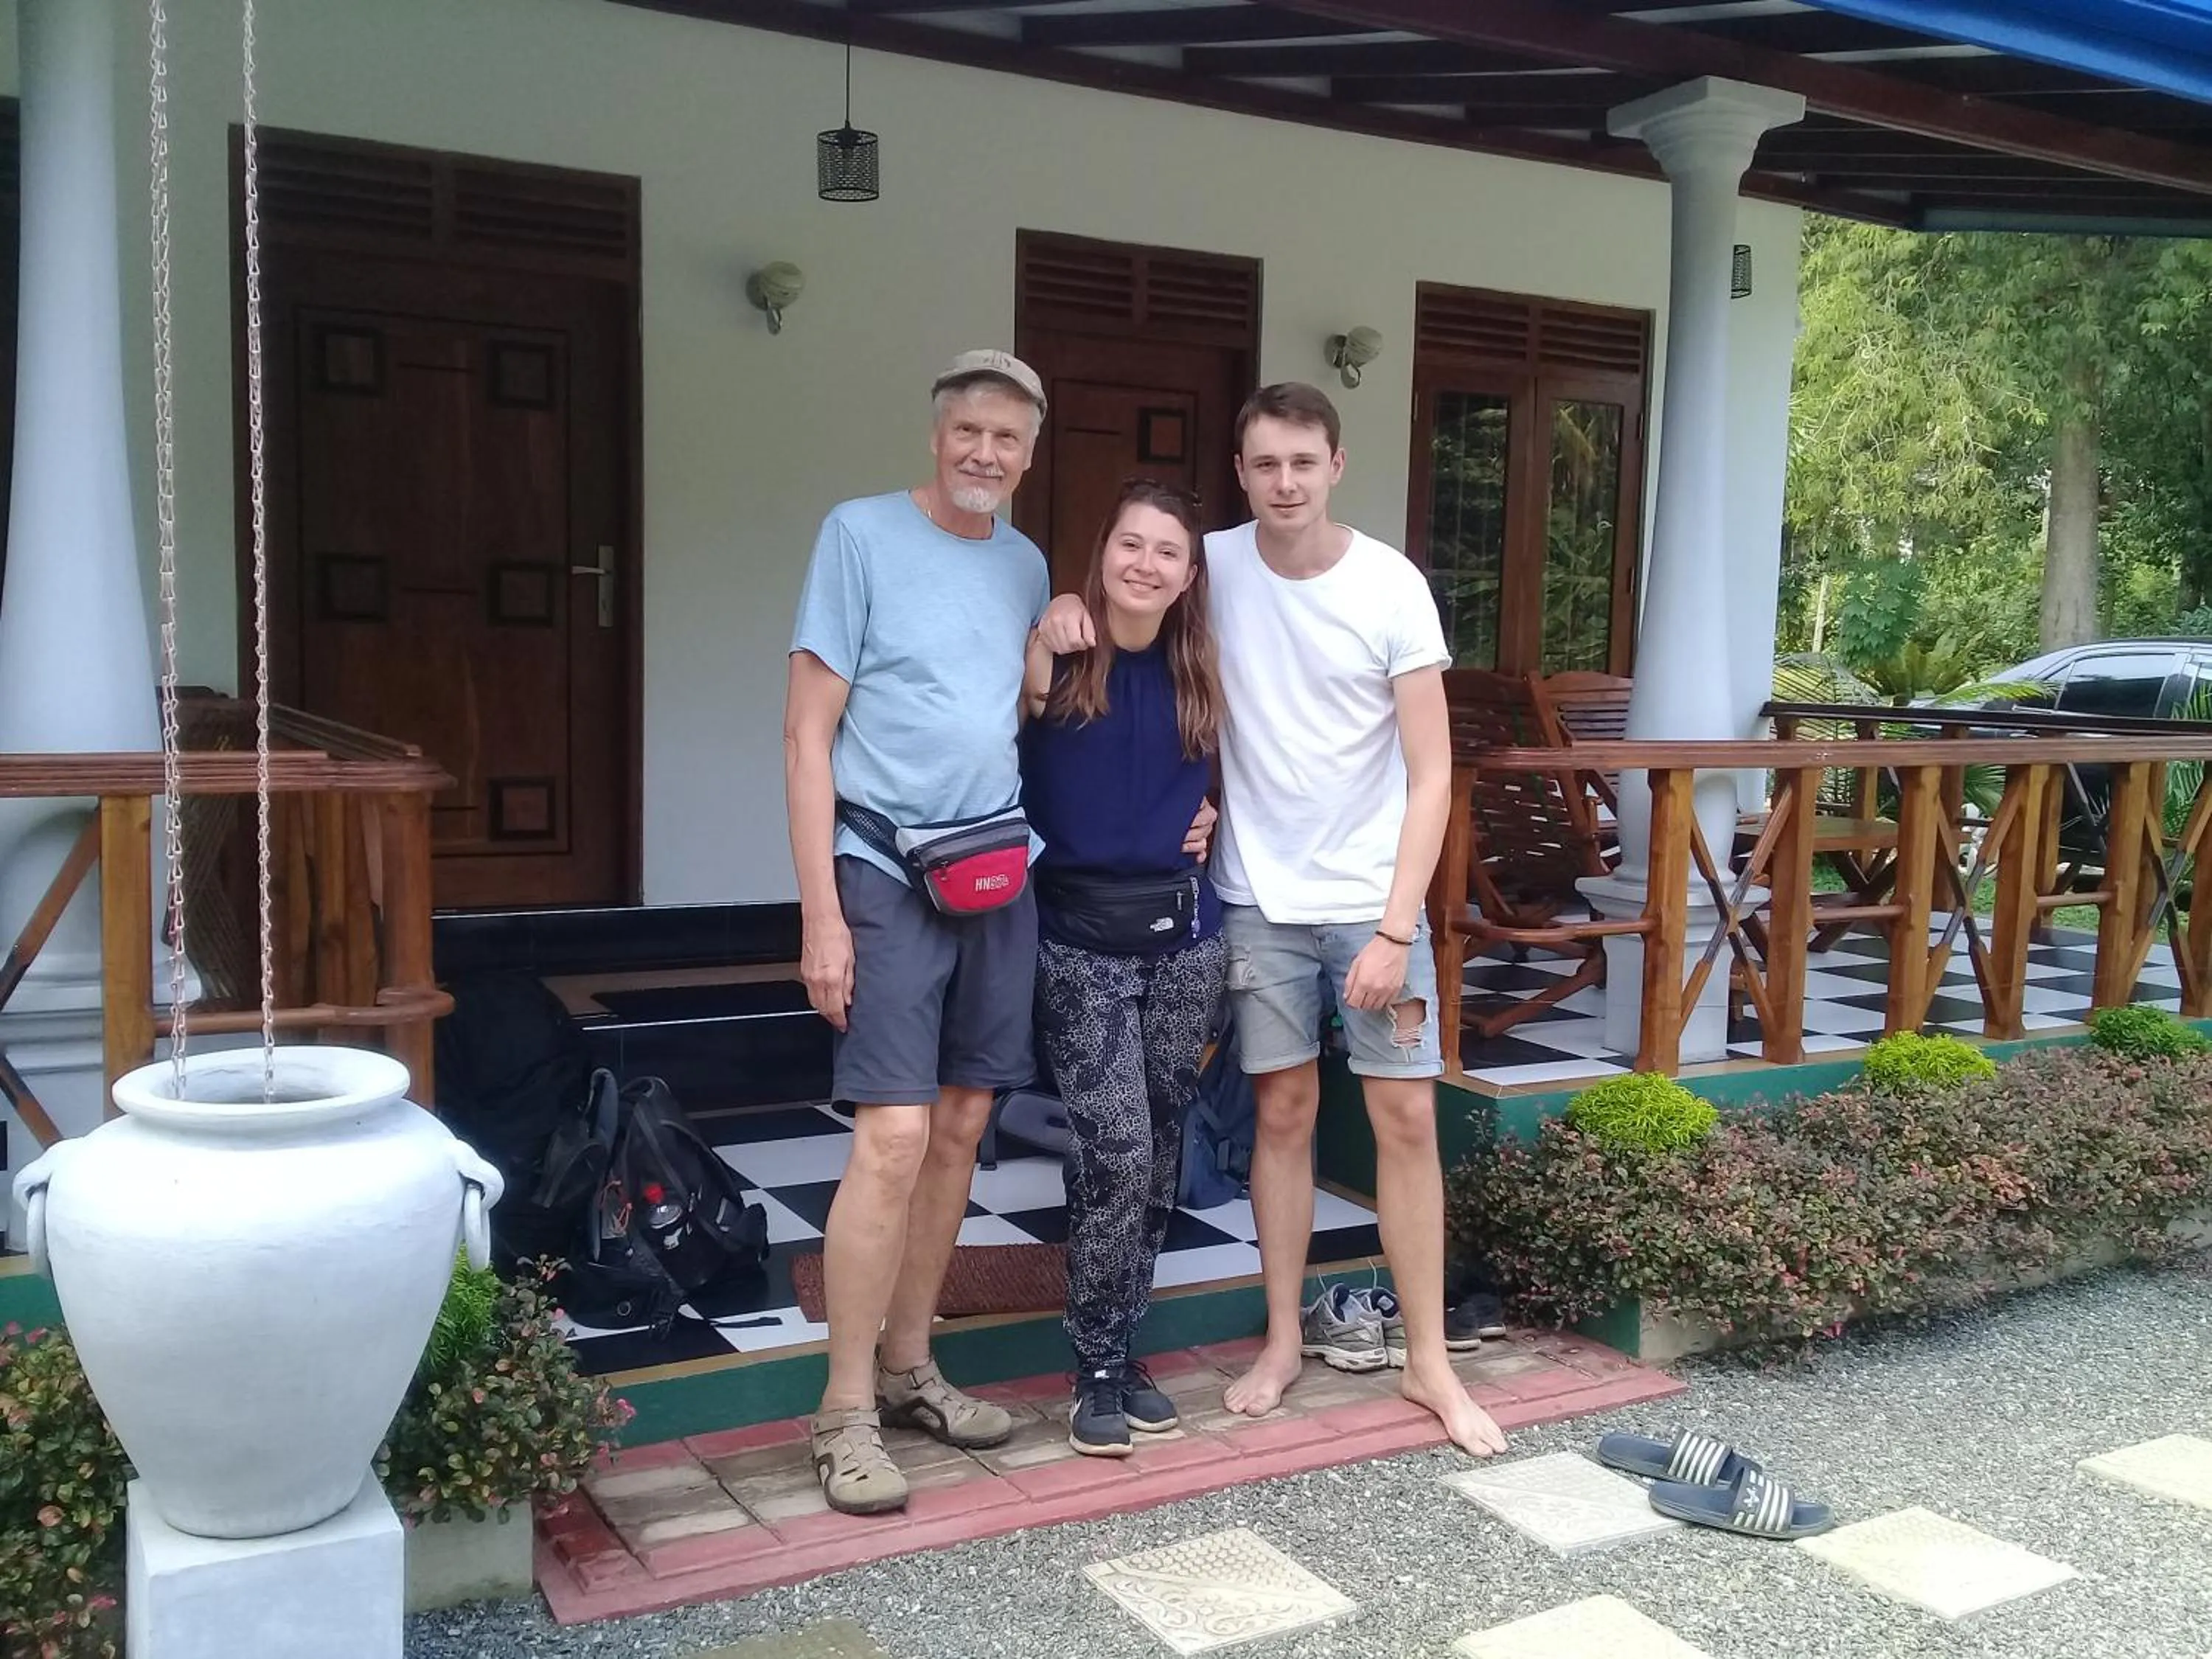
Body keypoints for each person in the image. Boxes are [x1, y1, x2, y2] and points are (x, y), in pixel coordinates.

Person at [1038, 383, 1508, 1457]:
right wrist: (1056, 615)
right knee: (1281, 1118)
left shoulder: (1392, 586)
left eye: (1303, 461)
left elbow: (1432, 773)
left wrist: (1398, 927)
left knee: (1404, 1123)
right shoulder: (1211, 566)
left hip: (1372, 906)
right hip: (1251, 902)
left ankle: (1428, 1356)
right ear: (1243, 473)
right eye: (1265, 465)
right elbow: (1127, 612)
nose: (1284, 482)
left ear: (1337, 463)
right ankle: (1285, 1336)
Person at [782, 351, 1051, 1515]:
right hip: (883, 864)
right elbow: (805, 735)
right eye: (969, 433)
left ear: (1028, 456)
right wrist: (821, 914)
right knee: (890, 1135)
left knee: (961, 1126)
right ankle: (841, 1411)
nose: (985, 454)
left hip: (999, 865)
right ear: (937, 435)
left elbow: (1025, 708)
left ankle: (909, 1370)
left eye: (1008, 439)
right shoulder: (858, 535)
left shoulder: (1030, 563)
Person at [1019, 479, 1226, 1458]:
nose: (1145, 564)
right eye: (1129, 543)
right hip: (1080, 943)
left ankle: (1123, 1336)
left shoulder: (1201, 671)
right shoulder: (1058, 652)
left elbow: (1230, 777)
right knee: (1116, 1150)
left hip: (1187, 938)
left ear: (1189, 575)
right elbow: (1002, 736)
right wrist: (1041, 630)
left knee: (1163, 1144)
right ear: (1101, 551)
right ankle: (1095, 1356)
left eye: (1168, 552)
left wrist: (1214, 814)